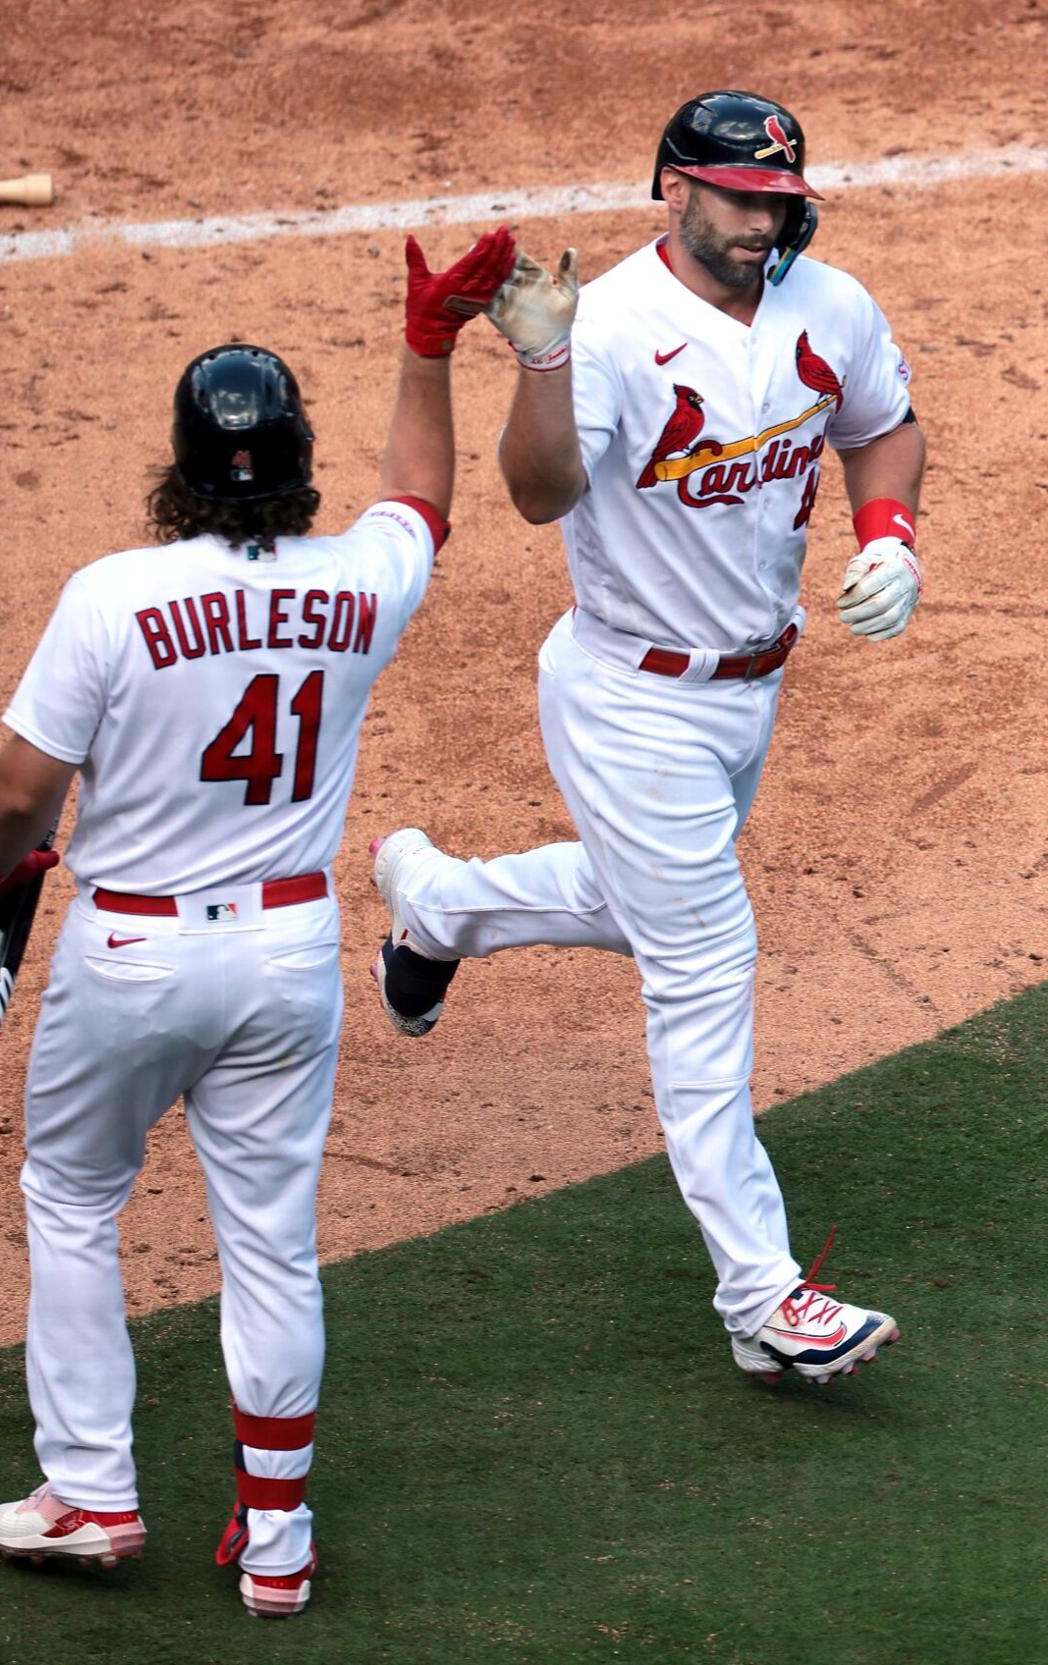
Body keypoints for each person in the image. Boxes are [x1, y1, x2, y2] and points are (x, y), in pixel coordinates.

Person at [0, 224, 515, 1616]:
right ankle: (277, 1538)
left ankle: (92, 1489)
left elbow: (21, 795)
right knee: (270, 1236)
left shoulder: (111, 596)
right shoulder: (357, 583)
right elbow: (422, 495)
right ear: (294, 459)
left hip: (131, 953)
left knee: (74, 1195)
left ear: (177, 464)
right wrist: (429, 345)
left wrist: (0, 874)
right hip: (284, 956)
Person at [368, 90, 924, 1387]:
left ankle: (438, 904)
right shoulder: (610, 327)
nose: (763, 225)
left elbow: (882, 426)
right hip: (629, 697)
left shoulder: (827, 306)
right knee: (704, 952)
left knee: (648, 903)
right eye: (740, 201)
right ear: (675, 189)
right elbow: (537, 491)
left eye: (780, 203)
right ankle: (762, 1296)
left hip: (749, 692)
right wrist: (547, 364)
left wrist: (889, 535)